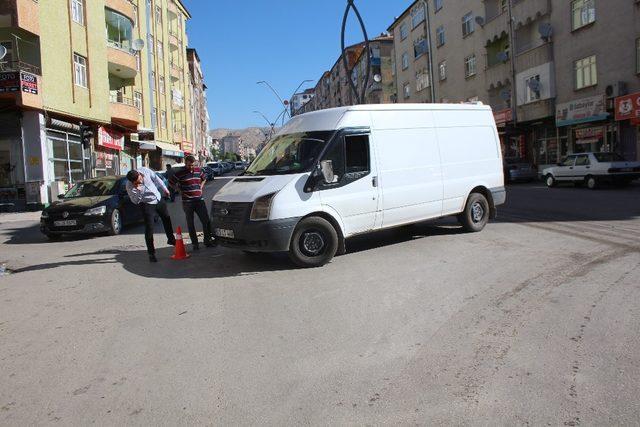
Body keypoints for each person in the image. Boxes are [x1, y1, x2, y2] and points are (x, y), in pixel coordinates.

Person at [126, 167, 176, 262]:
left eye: (140, 178)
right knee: (149, 227)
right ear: (132, 182)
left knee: (166, 218)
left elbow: (157, 179)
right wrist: (139, 191)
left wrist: (165, 189)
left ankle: (171, 239)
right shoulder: (129, 186)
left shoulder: (145, 170)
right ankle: (151, 253)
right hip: (146, 204)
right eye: (137, 182)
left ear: (139, 174)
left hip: (157, 198)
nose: (140, 181)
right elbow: (135, 201)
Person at [169, 155, 215, 250]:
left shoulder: (199, 170)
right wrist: (179, 190)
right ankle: (195, 244)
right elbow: (171, 182)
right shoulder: (180, 173)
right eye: (189, 165)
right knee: (190, 223)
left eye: (193, 165)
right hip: (187, 202)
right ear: (185, 163)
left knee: (206, 221)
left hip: (199, 200)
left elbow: (204, 178)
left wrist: (201, 187)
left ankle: (207, 240)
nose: (191, 167)